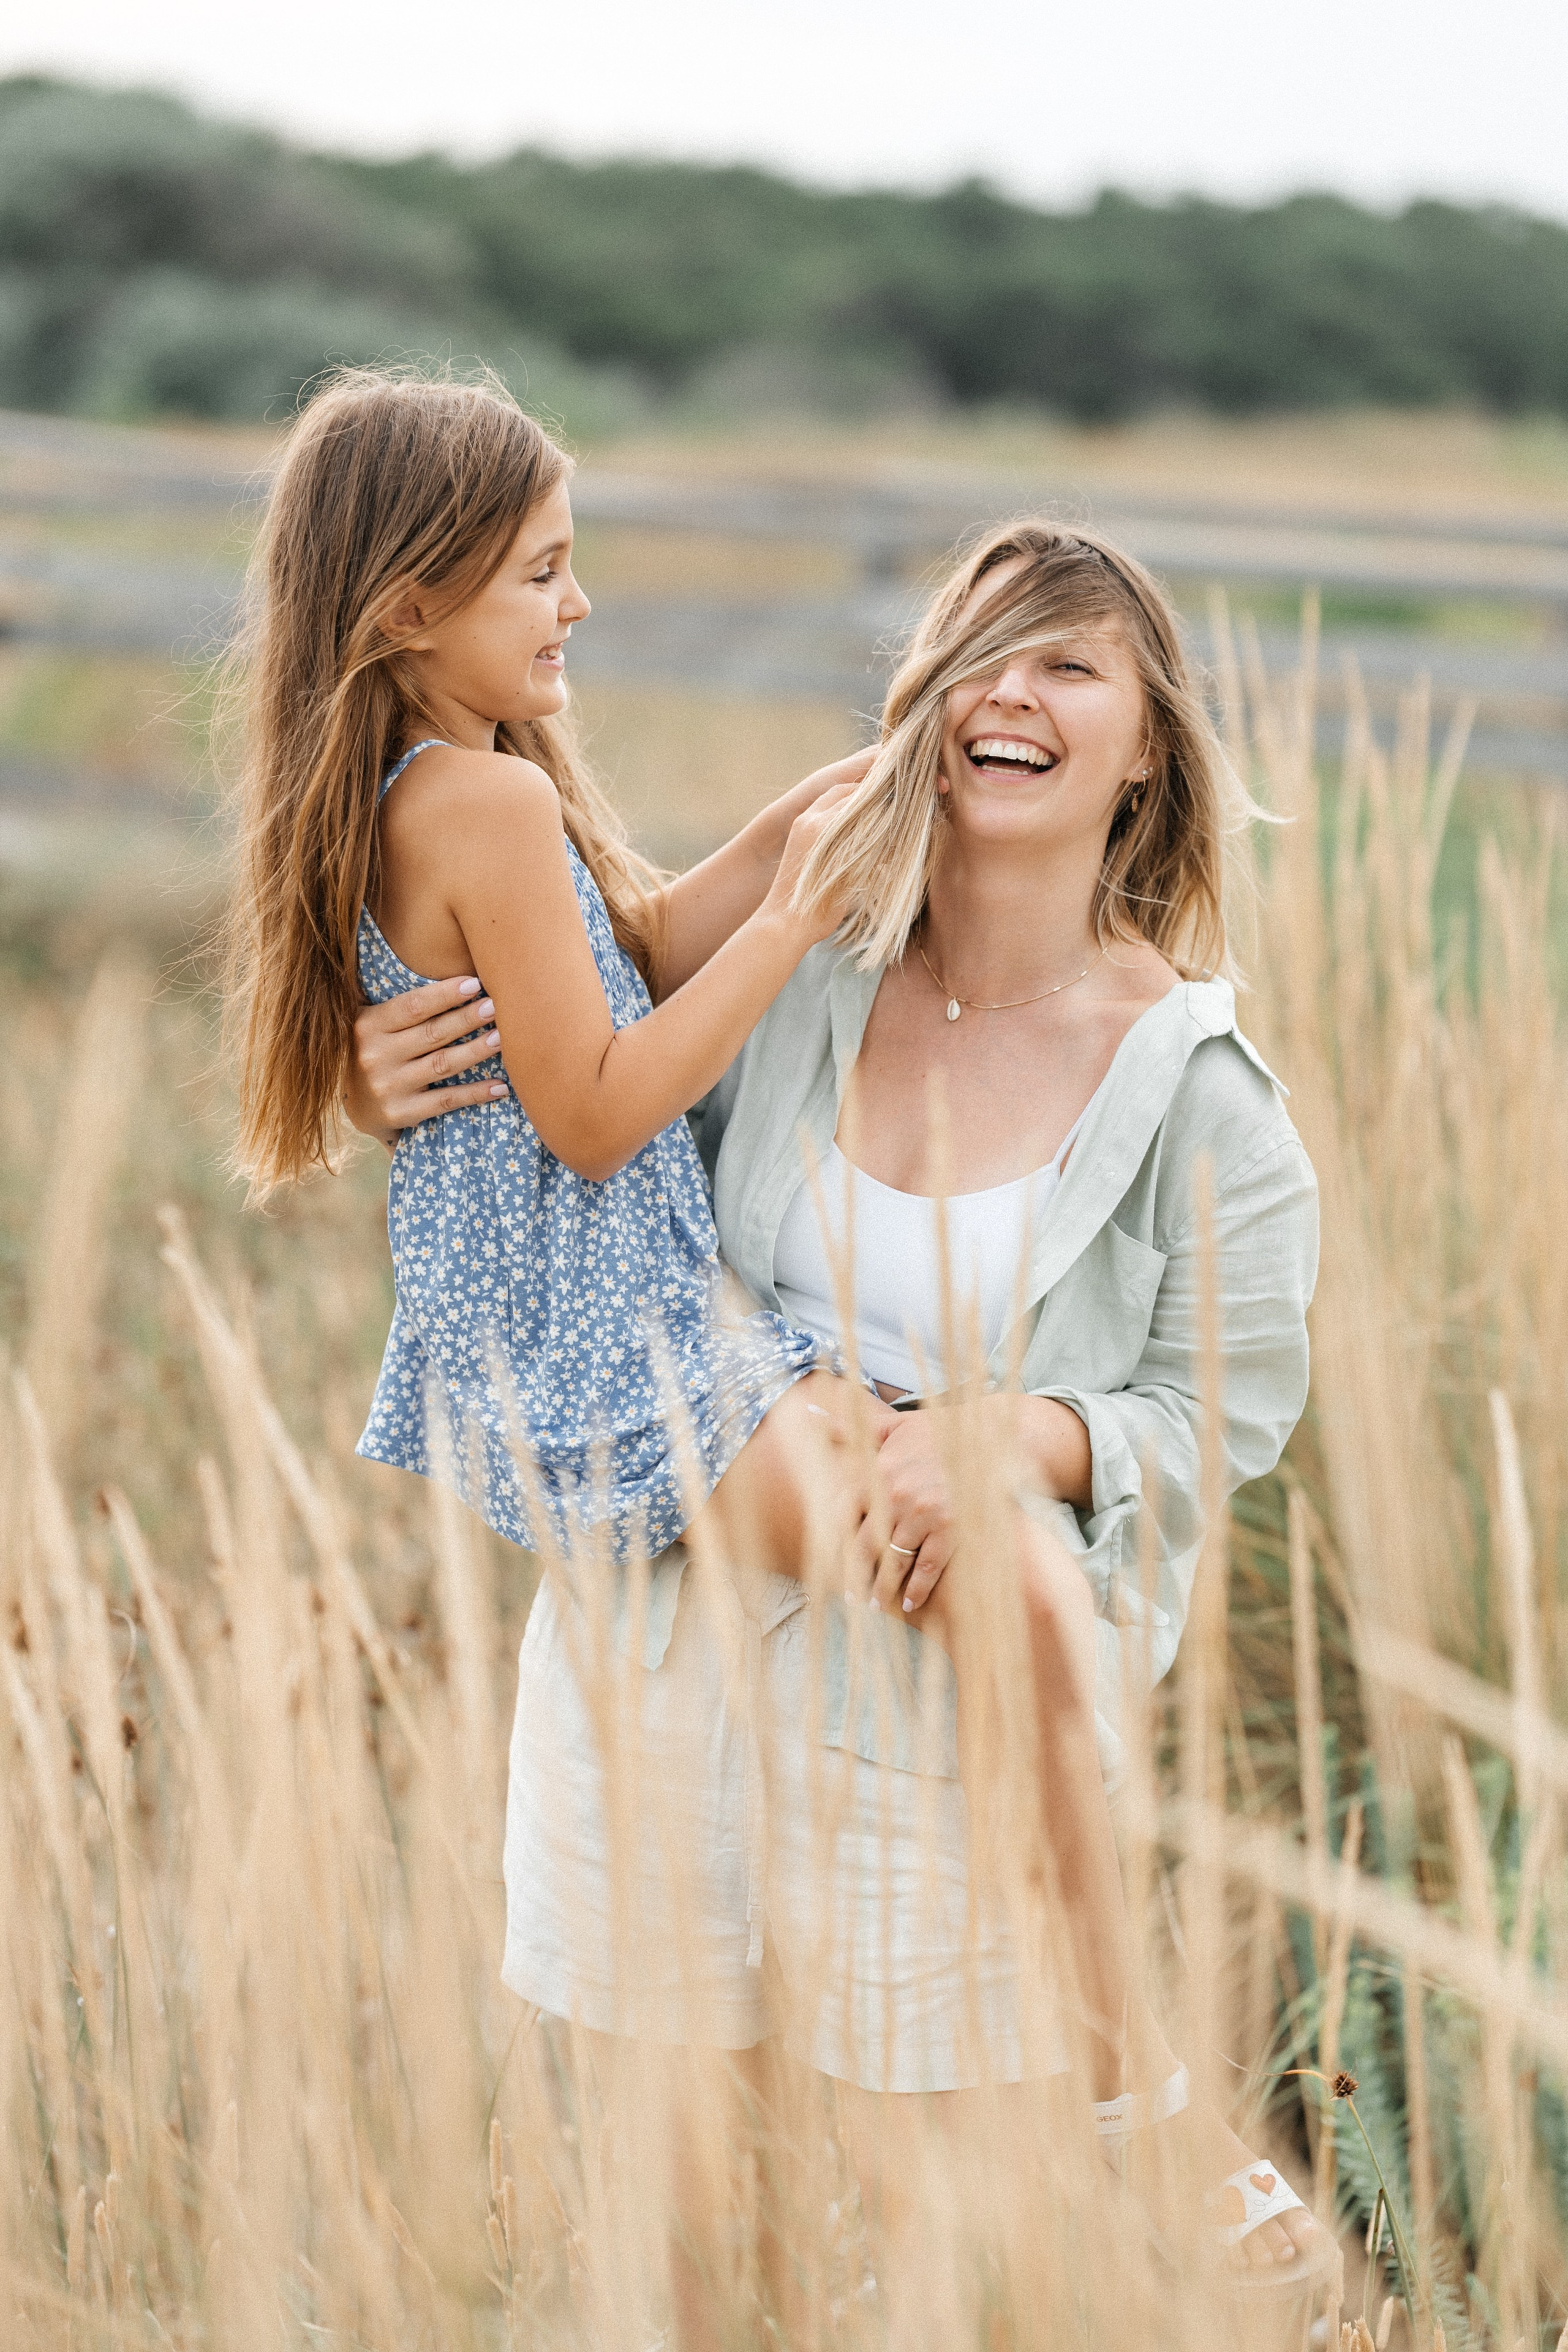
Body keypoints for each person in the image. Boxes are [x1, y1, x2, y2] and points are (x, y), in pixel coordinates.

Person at [344, 489, 1333, 2304]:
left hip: (947, 1752)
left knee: (997, 2282)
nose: (1006, 694)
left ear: (1144, 757)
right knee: (710, 2276)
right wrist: (389, 1059)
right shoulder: (790, 984)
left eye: (1068, 667)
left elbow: (1214, 1420)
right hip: (671, 1703)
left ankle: (1154, 2113)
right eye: (976, 655)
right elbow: (584, 1138)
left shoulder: (1203, 1097)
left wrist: (1017, 1436)